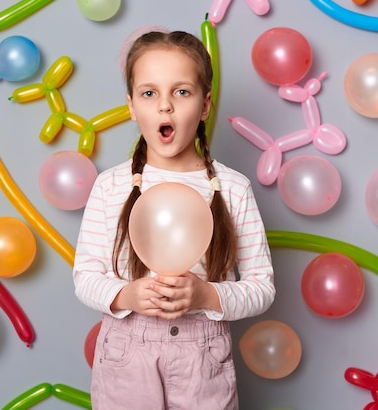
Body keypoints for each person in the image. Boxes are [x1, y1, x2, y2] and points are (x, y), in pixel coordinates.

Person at [73, 29, 275, 410]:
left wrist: (205, 295)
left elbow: (262, 287)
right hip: (126, 355)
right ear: (132, 106)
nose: (165, 106)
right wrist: (126, 295)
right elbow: (85, 277)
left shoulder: (232, 188)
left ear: (204, 105)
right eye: (150, 93)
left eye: (181, 91)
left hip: (202, 358)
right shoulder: (110, 186)